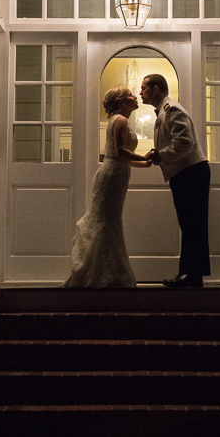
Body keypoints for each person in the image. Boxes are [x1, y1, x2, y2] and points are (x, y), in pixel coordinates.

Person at [62, 86, 151, 288]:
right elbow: (119, 152)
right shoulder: (120, 120)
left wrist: (144, 163)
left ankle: (107, 271)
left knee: (110, 221)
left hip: (117, 174)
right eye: (129, 94)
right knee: (106, 221)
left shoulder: (121, 120)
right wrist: (143, 157)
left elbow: (122, 157)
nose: (135, 96)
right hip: (111, 176)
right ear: (120, 101)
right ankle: (104, 274)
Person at [141, 73, 211, 288]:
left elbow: (185, 141)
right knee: (190, 224)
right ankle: (191, 275)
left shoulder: (173, 110)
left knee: (192, 224)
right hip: (186, 172)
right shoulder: (165, 110)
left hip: (191, 172)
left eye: (143, 88)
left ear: (155, 89)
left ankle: (191, 276)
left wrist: (161, 155)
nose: (140, 93)